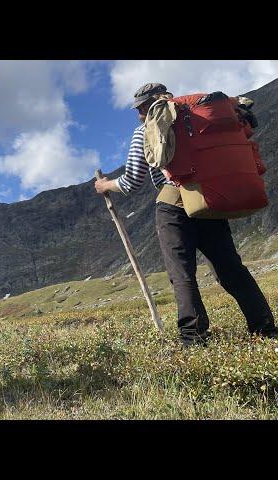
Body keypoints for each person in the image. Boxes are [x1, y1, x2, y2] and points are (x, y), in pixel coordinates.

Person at [94, 82, 278, 346]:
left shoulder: (146, 129)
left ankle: (194, 338)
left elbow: (132, 181)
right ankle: (266, 329)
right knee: (231, 269)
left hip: (173, 207)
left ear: (150, 105)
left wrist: (105, 186)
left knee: (182, 274)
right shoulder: (198, 118)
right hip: (208, 201)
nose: (138, 114)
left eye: (141, 108)